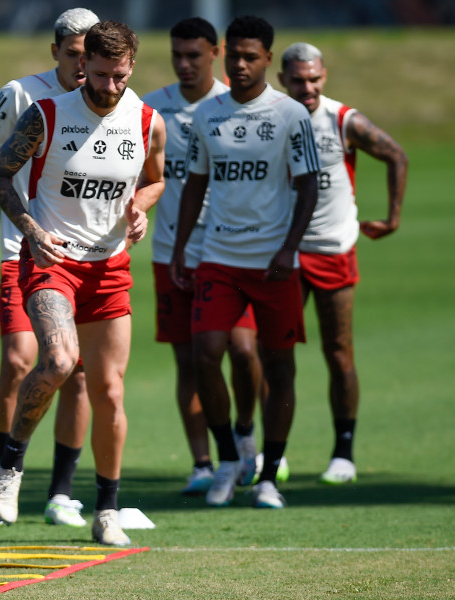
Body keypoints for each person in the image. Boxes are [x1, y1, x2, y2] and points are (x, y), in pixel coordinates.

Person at [0, 20, 166, 545]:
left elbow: (154, 179)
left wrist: (140, 208)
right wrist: (32, 231)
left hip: (108, 267)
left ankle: (106, 509)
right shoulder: (46, 115)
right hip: (52, 260)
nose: (111, 88)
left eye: (121, 77)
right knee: (60, 362)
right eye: (102, 75)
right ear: (82, 64)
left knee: (109, 390)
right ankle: (10, 465)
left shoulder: (147, 121)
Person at [0, 7, 99, 529]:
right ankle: (3, 476)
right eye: (72, 55)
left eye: (88, 56)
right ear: (55, 51)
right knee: (17, 359)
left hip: (84, 258)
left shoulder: (110, 103)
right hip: (20, 251)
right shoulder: (20, 94)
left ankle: (62, 493)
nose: (81, 66)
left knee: (75, 373)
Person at [170, 15, 320, 509]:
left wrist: (288, 247)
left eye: (250, 56)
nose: (239, 64)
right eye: (233, 54)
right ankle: (230, 458)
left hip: (274, 264)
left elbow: (308, 186)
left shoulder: (290, 115)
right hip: (219, 258)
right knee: (205, 353)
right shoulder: (208, 115)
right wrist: (179, 251)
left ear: (267, 61)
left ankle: (270, 474)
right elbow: (195, 185)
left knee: (279, 367)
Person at [142, 16, 266, 497]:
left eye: (194, 55)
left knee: (243, 349)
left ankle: (247, 433)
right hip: (171, 253)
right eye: (177, 55)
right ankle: (203, 463)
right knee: (189, 361)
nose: (185, 64)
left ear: (215, 53)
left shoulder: (233, 107)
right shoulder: (151, 109)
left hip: (232, 253)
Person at [278, 42, 408, 484]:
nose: (307, 88)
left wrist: (392, 218)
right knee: (274, 354)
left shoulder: (341, 120)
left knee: (338, 352)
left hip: (333, 248)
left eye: (314, 79)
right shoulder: (270, 120)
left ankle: (344, 453)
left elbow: (395, 154)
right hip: (282, 254)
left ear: (324, 76)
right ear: (282, 80)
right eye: (298, 80)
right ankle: (271, 453)